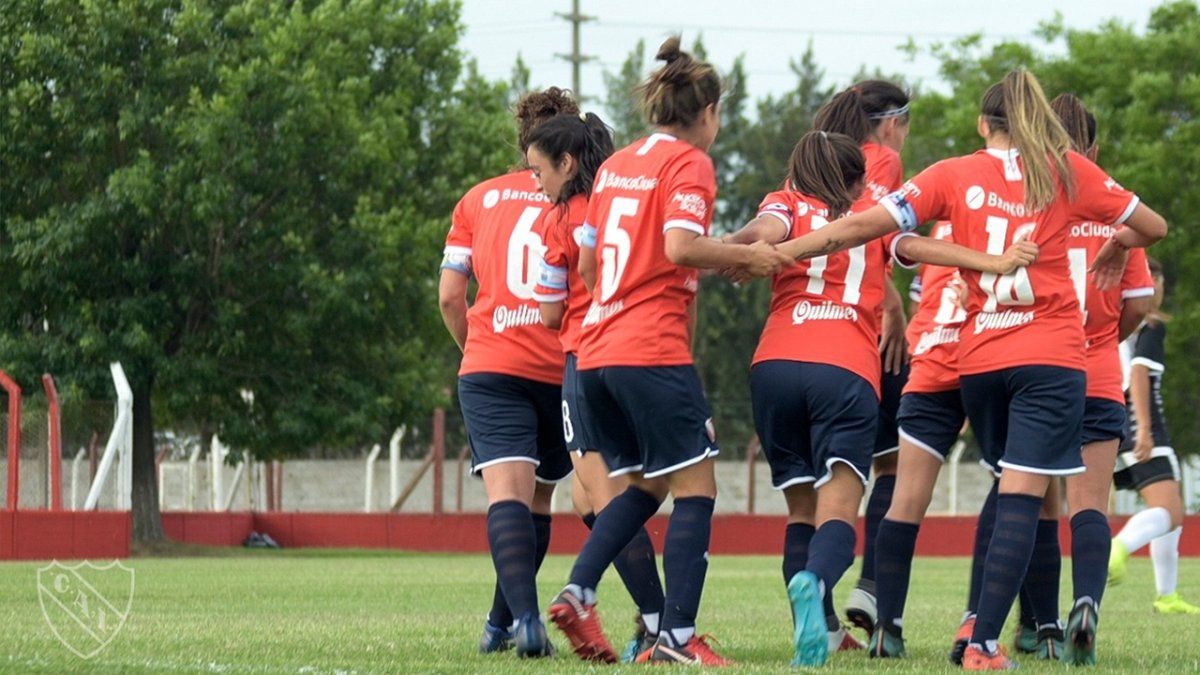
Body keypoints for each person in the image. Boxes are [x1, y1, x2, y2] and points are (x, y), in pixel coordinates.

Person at [757, 69, 1168, 669]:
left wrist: (785, 250)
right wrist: (1117, 242)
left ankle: (888, 619)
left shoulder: (949, 174)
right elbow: (1153, 228)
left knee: (931, 496)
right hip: (1054, 356)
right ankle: (989, 638)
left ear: (983, 124)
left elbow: (868, 227)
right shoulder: (1068, 171)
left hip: (976, 361)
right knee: (1026, 499)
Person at [725, 130, 1036, 667]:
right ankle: (816, 578)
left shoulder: (785, 203)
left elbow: (761, 233)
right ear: (857, 180)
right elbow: (920, 247)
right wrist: (994, 261)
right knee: (841, 509)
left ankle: (816, 624)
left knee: (801, 510)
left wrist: (721, 250)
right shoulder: (873, 215)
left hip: (772, 367)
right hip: (843, 370)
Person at [545, 36, 792, 666]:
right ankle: (676, 638)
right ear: (706, 111)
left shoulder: (618, 165)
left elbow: (594, 264)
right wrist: (748, 257)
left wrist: (629, 289)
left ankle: (577, 591)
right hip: (647, 348)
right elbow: (682, 246)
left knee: (644, 485)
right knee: (699, 485)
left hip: (595, 350)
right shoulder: (689, 164)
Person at [438, 87, 579, 658]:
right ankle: (509, 624)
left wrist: (479, 349)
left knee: (507, 499)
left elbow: (451, 296)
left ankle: (517, 621)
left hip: (492, 366)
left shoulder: (478, 199)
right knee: (539, 501)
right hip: (558, 365)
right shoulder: (575, 198)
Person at [526, 112, 668, 662]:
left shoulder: (558, 220)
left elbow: (548, 311)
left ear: (567, 163)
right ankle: (650, 618)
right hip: (636, 354)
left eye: (540, 171)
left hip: (586, 361)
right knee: (588, 496)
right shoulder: (620, 204)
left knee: (609, 498)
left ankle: (655, 624)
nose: (535, 182)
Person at [811, 80, 913, 641]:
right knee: (891, 467)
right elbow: (867, 231)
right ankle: (872, 587)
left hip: (802, 336)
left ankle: (823, 622)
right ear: (891, 121)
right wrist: (893, 301)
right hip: (866, 332)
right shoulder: (884, 159)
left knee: (816, 487)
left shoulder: (817, 156)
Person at [1109, 258, 1199, 615]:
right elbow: (1139, 372)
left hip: (1117, 421)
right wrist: (1144, 429)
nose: (1159, 289)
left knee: (1168, 503)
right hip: (1141, 422)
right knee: (1170, 510)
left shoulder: (1119, 323)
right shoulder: (1150, 325)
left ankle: (1167, 594)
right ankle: (1119, 548)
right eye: (1155, 281)